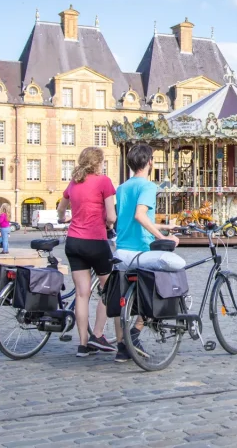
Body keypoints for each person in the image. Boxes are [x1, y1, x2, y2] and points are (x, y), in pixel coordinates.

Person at [114, 142, 182, 363]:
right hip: (140, 250)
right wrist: (164, 239)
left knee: (121, 298)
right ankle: (136, 332)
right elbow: (140, 216)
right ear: (150, 162)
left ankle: (122, 347)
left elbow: (126, 218)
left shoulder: (123, 187)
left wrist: (163, 227)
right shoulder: (149, 186)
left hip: (121, 249)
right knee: (160, 285)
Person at [56, 146, 118, 358]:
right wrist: (108, 224)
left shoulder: (74, 182)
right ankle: (98, 335)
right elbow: (111, 216)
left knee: (82, 294)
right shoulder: (104, 182)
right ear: (98, 163)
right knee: (109, 289)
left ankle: (82, 345)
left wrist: (64, 218)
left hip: (73, 242)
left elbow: (61, 209)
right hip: (95, 240)